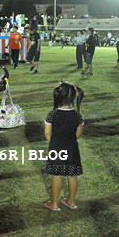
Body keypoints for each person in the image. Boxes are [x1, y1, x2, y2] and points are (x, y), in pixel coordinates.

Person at [43, 83, 84, 211]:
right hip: (72, 148)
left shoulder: (52, 114)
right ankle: (71, 202)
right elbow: (78, 133)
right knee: (72, 175)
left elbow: (47, 133)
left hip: (57, 148)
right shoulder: (77, 115)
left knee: (57, 175)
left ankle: (54, 204)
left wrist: (55, 142)